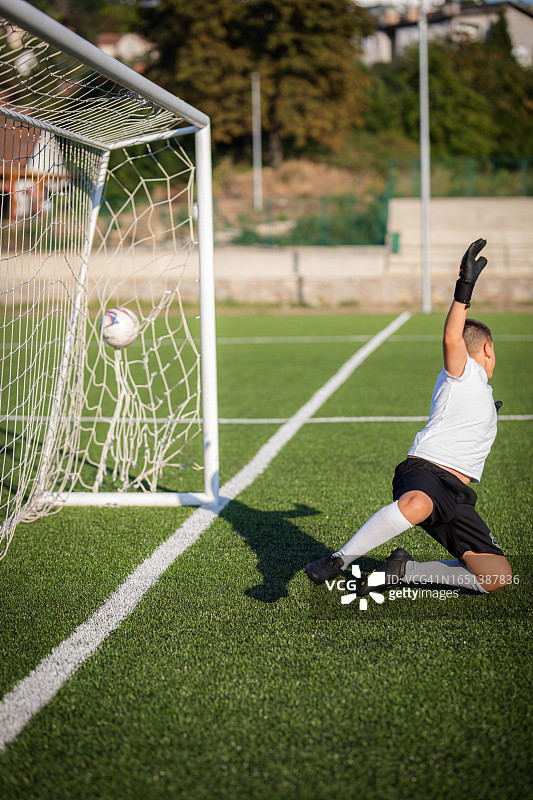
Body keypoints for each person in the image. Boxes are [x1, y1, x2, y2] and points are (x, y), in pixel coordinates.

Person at [305, 238, 512, 596]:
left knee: (496, 576)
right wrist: (465, 287)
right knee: (416, 504)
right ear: (488, 350)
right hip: (427, 473)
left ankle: (403, 571)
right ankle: (339, 560)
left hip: (457, 496)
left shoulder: (479, 390)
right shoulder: (463, 370)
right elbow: (451, 338)